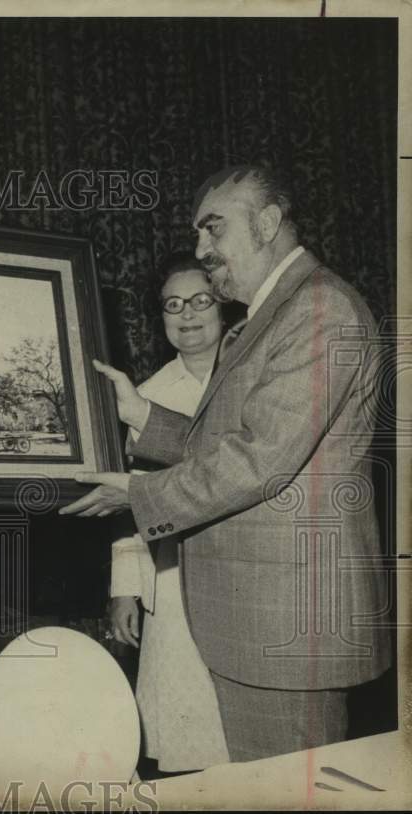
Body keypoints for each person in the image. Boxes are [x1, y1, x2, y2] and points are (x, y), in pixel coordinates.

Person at [62, 165, 391, 762]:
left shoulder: (318, 309)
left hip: (291, 633)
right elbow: (228, 441)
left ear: (266, 223)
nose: (200, 249)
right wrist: (142, 414)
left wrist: (139, 494)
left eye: (213, 229)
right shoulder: (269, 318)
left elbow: (259, 458)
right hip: (260, 626)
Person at [108, 254, 229, 772]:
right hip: (174, 579)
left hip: (250, 574)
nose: (188, 314)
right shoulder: (147, 397)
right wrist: (123, 589)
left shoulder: (256, 378)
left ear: (224, 305)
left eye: (201, 300)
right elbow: (132, 498)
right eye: (172, 305)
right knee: (189, 737)